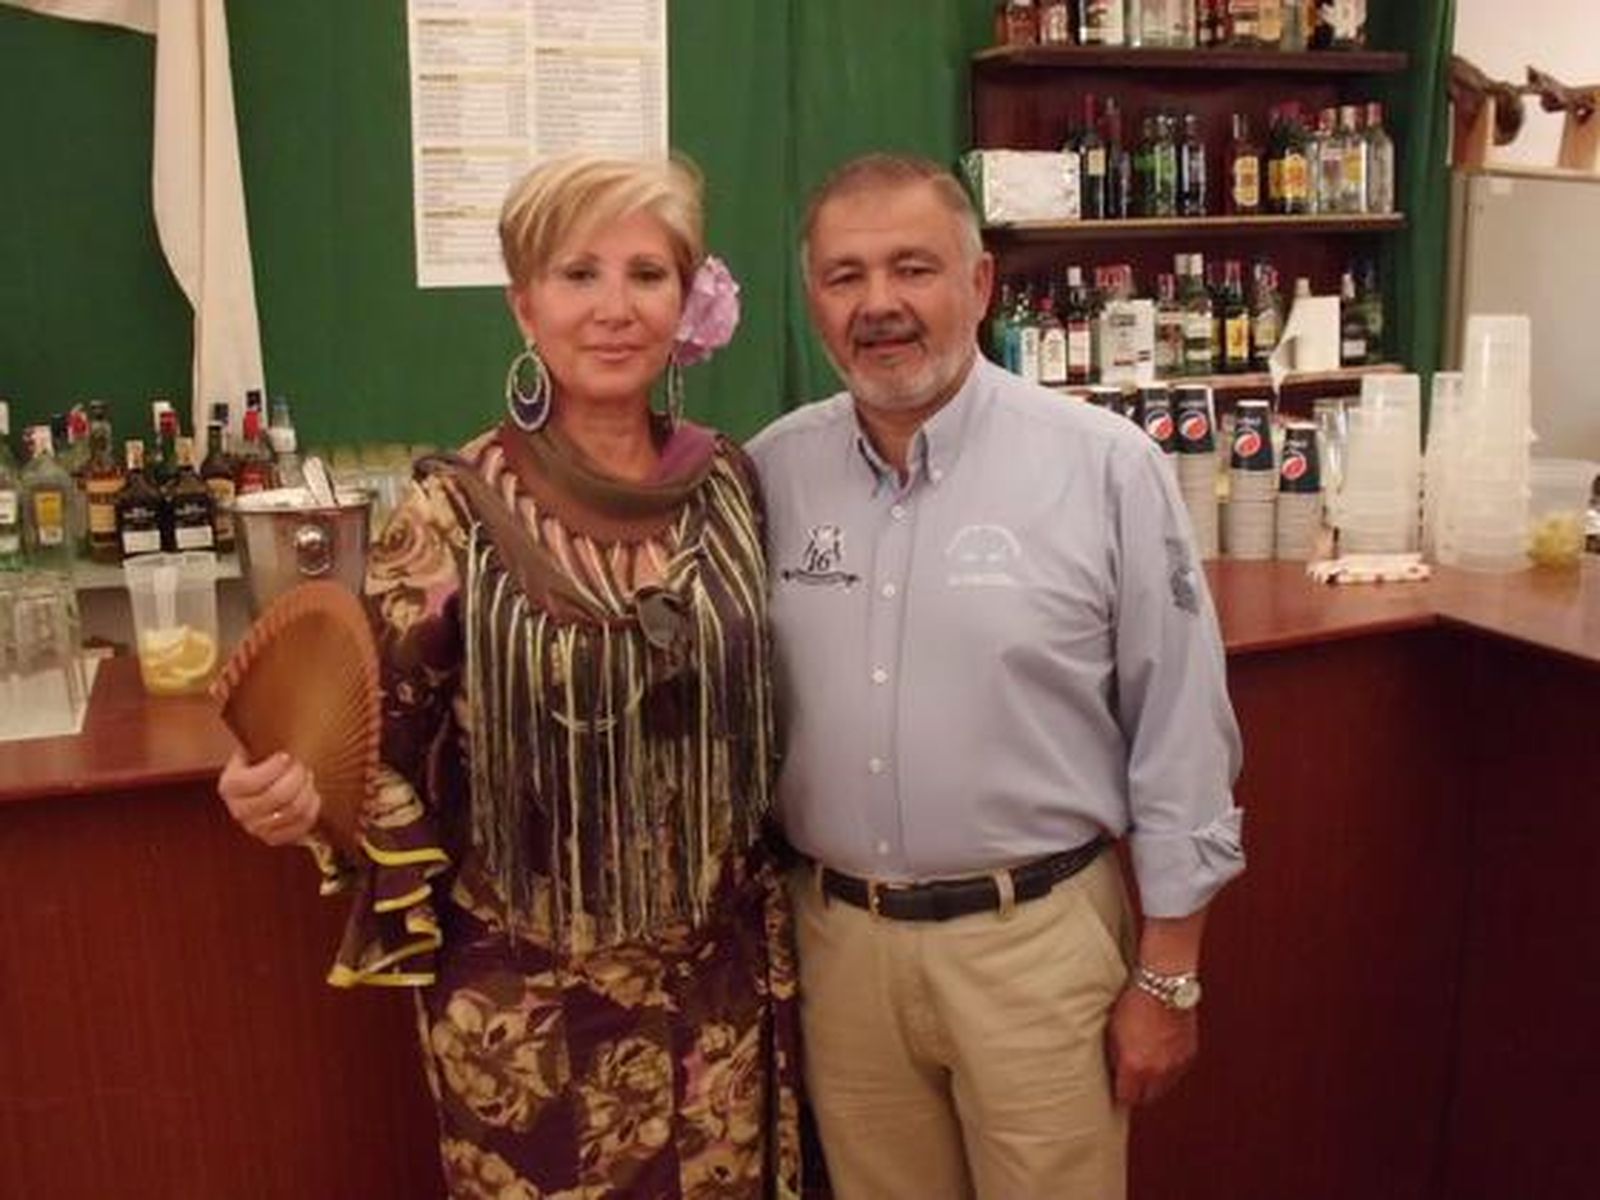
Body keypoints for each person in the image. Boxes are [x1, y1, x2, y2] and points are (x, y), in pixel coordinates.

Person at [218, 154, 801, 1200]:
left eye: (646, 274)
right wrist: (293, 794)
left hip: (721, 1000)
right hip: (527, 1013)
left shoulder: (733, 485)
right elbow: (370, 749)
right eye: (579, 274)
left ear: (688, 299)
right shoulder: (450, 515)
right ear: (523, 305)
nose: (614, 308)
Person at [747, 153, 1245, 1199]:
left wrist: (1168, 975)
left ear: (978, 286)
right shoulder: (768, 475)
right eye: (844, 277)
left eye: (912, 268)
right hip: (840, 951)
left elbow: (1181, 736)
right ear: (812, 303)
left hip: (1036, 950)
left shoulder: (1103, 467)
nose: (878, 303)